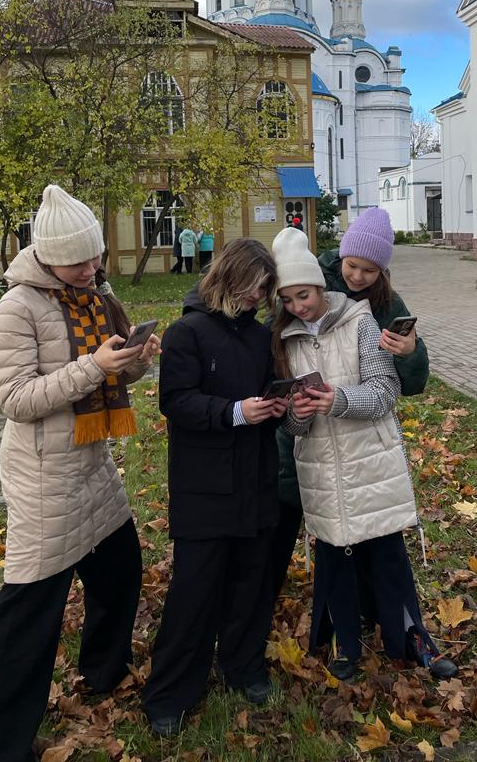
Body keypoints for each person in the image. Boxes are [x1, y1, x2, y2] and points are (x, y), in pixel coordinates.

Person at [0, 185, 161, 762]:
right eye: (80, 261)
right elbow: (16, 400)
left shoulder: (96, 295)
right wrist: (92, 367)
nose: (93, 269)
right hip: (45, 475)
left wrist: (134, 362)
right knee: (28, 615)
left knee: (121, 571)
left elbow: (112, 375)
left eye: (96, 256)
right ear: (49, 256)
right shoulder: (16, 309)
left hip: (92, 462)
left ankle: (103, 672)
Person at [271, 226, 457, 682]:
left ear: (321, 286)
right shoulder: (283, 339)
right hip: (319, 466)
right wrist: (296, 413)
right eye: (288, 299)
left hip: (370, 459)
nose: (299, 306)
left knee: (386, 547)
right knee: (335, 553)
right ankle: (343, 638)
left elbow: (386, 391)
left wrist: (337, 400)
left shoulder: (361, 320)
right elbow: (289, 424)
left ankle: (410, 634)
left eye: (304, 295)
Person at [142, 239, 287, 736]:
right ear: (229, 277)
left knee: (251, 583)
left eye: (265, 290)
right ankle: (171, 690)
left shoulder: (261, 336)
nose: (257, 297)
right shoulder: (187, 332)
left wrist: (277, 407)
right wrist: (234, 412)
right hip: (204, 485)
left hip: (256, 478)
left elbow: (266, 395)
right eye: (253, 287)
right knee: (195, 591)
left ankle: (243, 666)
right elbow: (176, 401)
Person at [271, 206, 430, 609]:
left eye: (370, 270)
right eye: (353, 265)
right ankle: (271, 602)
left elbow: (405, 384)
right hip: (305, 435)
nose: (358, 277)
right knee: (290, 513)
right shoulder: (308, 281)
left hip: (358, 439)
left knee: (369, 529)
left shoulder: (385, 305)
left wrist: (409, 352)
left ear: (382, 272)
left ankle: (374, 611)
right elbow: (278, 337)